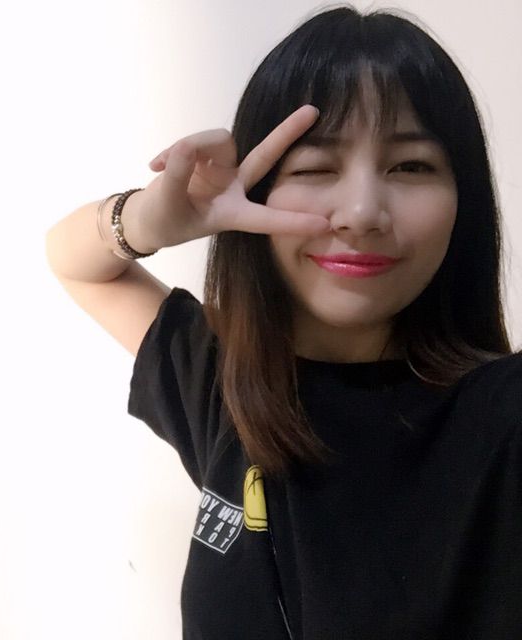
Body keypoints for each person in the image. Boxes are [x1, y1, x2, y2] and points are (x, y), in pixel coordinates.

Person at [45, 5, 522, 639]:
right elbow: (78, 264)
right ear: (256, 194)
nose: (361, 212)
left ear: (465, 201)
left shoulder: (504, 417)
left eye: (410, 166)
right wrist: (146, 220)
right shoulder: (225, 379)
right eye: (316, 167)